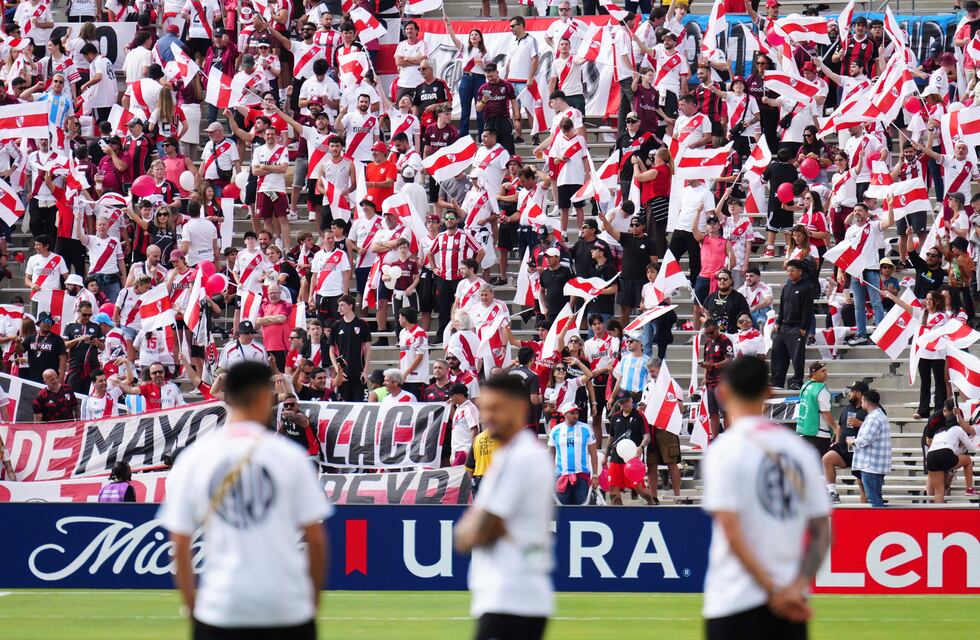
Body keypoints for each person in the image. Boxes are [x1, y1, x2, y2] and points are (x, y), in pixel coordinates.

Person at [159, 361, 330, 640]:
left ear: (229, 396)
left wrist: (192, 608)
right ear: (264, 397)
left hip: (220, 608)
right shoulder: (290, 457)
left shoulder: (195, 459)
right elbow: (317, 541)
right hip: (285, 608)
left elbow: (179, 543)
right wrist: (311, 605)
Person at [702, 356, 831, 640]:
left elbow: (731, 530)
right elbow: (821, 530)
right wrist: (795, 588)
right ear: (769, 393)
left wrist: (771, 591)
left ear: (723, 393)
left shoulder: (725, 450)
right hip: (790, 603)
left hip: (734, 600)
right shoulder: (799, 451)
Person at [455, 374, 553, 640]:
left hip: (513, 599)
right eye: (485, 408)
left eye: (496, 408)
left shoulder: (522, 458)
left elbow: (473, 534)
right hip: (505, 598)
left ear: (520, 409)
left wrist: (475, 525)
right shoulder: (506, 456)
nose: (488, 416)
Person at [770, 260, 815, 390]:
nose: (789, 273)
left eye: (792, 270)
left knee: (797, 356)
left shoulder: (806, 287)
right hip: (784, 326)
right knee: (777, 352)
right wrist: (778, 321)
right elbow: (782, 307)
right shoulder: (787, 287)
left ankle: (797, 381)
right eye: (788, 270)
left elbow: (808, 309)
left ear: (800, 271)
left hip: (797, 327)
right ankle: (777, 381)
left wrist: (804, 327)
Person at [823, 381, 869, 504]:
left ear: (858, 394)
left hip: (860, 450)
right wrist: (837, 442)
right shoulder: (848, 407)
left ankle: (866, 511)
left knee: (862, 485)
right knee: (827, 459)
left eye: (851, 391)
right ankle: (832, 492)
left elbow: (876, 425)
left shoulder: (869, 408)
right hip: (844, 448)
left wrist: (859, 424)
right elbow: (840, 426)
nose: (849, 394)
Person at [605, 393, 654, 505]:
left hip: (632, 456)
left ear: (631, 400)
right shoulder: (615, 416)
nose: (625, 404)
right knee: (613, 487)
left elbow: (647, 436)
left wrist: (641, 447)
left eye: (626, 401)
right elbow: (611, 437)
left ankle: (652, 503)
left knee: (638, 487)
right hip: (616, 456)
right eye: (622, 402)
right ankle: (618, 512)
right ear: (619, 404)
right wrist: (606, 456)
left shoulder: (639, 415)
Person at [925, 407, 977, 503]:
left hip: (931, 456)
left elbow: (948, 448)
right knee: (968, 460)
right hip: (945, 454)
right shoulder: (958, 429)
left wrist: (960, 447)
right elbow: (972, 448)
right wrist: (972, 436)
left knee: (939, 492)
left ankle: (936, 511)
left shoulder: (939, 431)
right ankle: (969, 489)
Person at [851, 389, 892, 508]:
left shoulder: (874, 418)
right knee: (876, 498)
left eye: (862, 400)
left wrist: (852, 442)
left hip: (870, 466)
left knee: (874, 500)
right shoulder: (879, 416)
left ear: (866, 401)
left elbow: (866, 439)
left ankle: (878, 520)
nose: (861, 403)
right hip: (875, 465)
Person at [700, 319, 734, 438]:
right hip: (710, 382)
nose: (709, 335)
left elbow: (729, 359)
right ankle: (714, 439)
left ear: (717, 328)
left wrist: (714, 365)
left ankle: (728, 438)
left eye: (711, 332)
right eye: (707, 333)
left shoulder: (725, 341)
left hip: (723, 381)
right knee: (713, 413)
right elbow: (707, 361)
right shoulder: (707, 343)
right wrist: (704, 376)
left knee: (725, 411)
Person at [795, 362, 837, 457]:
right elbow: (825, 413)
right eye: (822, 371)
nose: (826, 373)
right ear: (814, 373)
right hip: (819, 434)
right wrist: (835, 428)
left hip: (804, 431)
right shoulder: (820, 389)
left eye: (826, 371)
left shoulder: (805, 386)